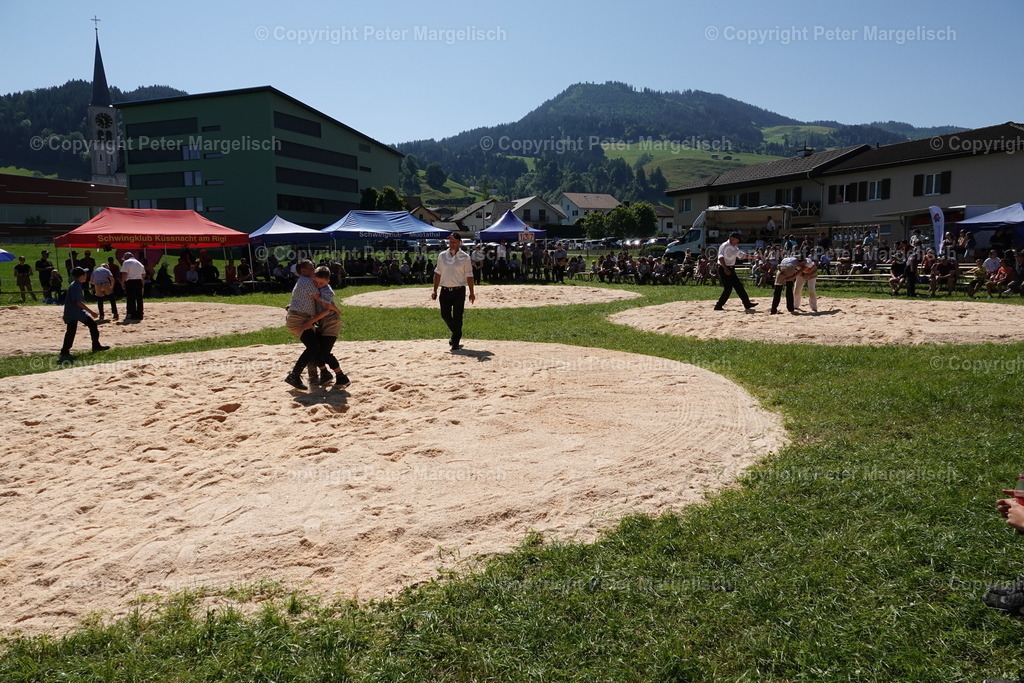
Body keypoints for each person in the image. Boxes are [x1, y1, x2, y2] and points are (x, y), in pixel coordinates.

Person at [307, 265, 350, 387]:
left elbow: (326, 310)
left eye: (321, 282)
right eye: (316, 282)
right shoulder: (316, 288)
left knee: (325, 352)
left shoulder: (327, 291)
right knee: (315, 350)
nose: (318, 284)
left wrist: (311, 321)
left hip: (331, 322)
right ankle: (325, 373)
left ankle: (341, 376)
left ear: (328, 281)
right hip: (322, 322)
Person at [431, 232, 475, 351]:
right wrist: (434, 290)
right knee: (445, 315)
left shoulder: (465, 257)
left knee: (457, 316)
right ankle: (457, 333)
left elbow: (469, 276)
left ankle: (455, 341)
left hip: (459, 291)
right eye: (450, 241)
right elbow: (437, 273)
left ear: (459, 242)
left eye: (454, 241)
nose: (452, 243)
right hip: (445, 290)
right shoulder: (442, 256)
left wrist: (472, 292)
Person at [283, 259, 323, 390]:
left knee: (313, 347)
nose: (314, 270)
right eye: (311, 268)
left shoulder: (303, 281)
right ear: (303, 271)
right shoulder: (307, 281)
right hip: (299, 320)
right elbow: (320, 299)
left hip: (299, 318)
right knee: (313, 347)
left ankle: (313, 376)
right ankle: (295, 375)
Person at [59, 267, 109, 359]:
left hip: (72, 312)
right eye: (85, 274)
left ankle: (65, 350)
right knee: (92, 325)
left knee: (71, 331)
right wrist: (92, 312)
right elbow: (78, 302)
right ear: (81, 276)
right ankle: (96, 346)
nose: (86, 275)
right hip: (75, 312)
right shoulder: (76, 286)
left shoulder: (75, 284)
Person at [714, 232, 757, 311]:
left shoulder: (734, 247)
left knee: (738, 286)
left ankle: (747, 303)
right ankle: (718, 305)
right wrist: (725, 269)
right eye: (737, 240)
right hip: (723, 268)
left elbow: (742, 255)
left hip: (730, 269)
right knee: (728, 288)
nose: (738, 241)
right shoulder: (724, 246)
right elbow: (720, 258)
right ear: (732, 238)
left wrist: (754, 257)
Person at [120, 251, 146, 321]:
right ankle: (140, 314)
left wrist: (122, 283)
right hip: (139, 281)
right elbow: (143, 274)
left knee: (131, 298)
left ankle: (132, 314)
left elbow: (124, 273)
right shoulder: (139, 263)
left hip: (130, 281)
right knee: (139, 299)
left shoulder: (126, 262)